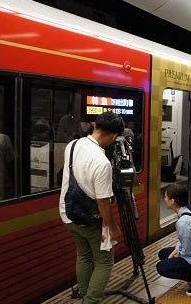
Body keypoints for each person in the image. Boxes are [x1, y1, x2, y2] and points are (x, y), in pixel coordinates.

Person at [59, 111, 124, 304]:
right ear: (113, 136)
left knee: (84, 255)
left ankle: (84, 293)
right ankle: (91, 300)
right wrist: (113, 228)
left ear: (96, 126)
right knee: (105, 261)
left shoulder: (73, 145)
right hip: (88, 220)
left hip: (68, 213)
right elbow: (103, 201)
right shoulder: (102, 163)